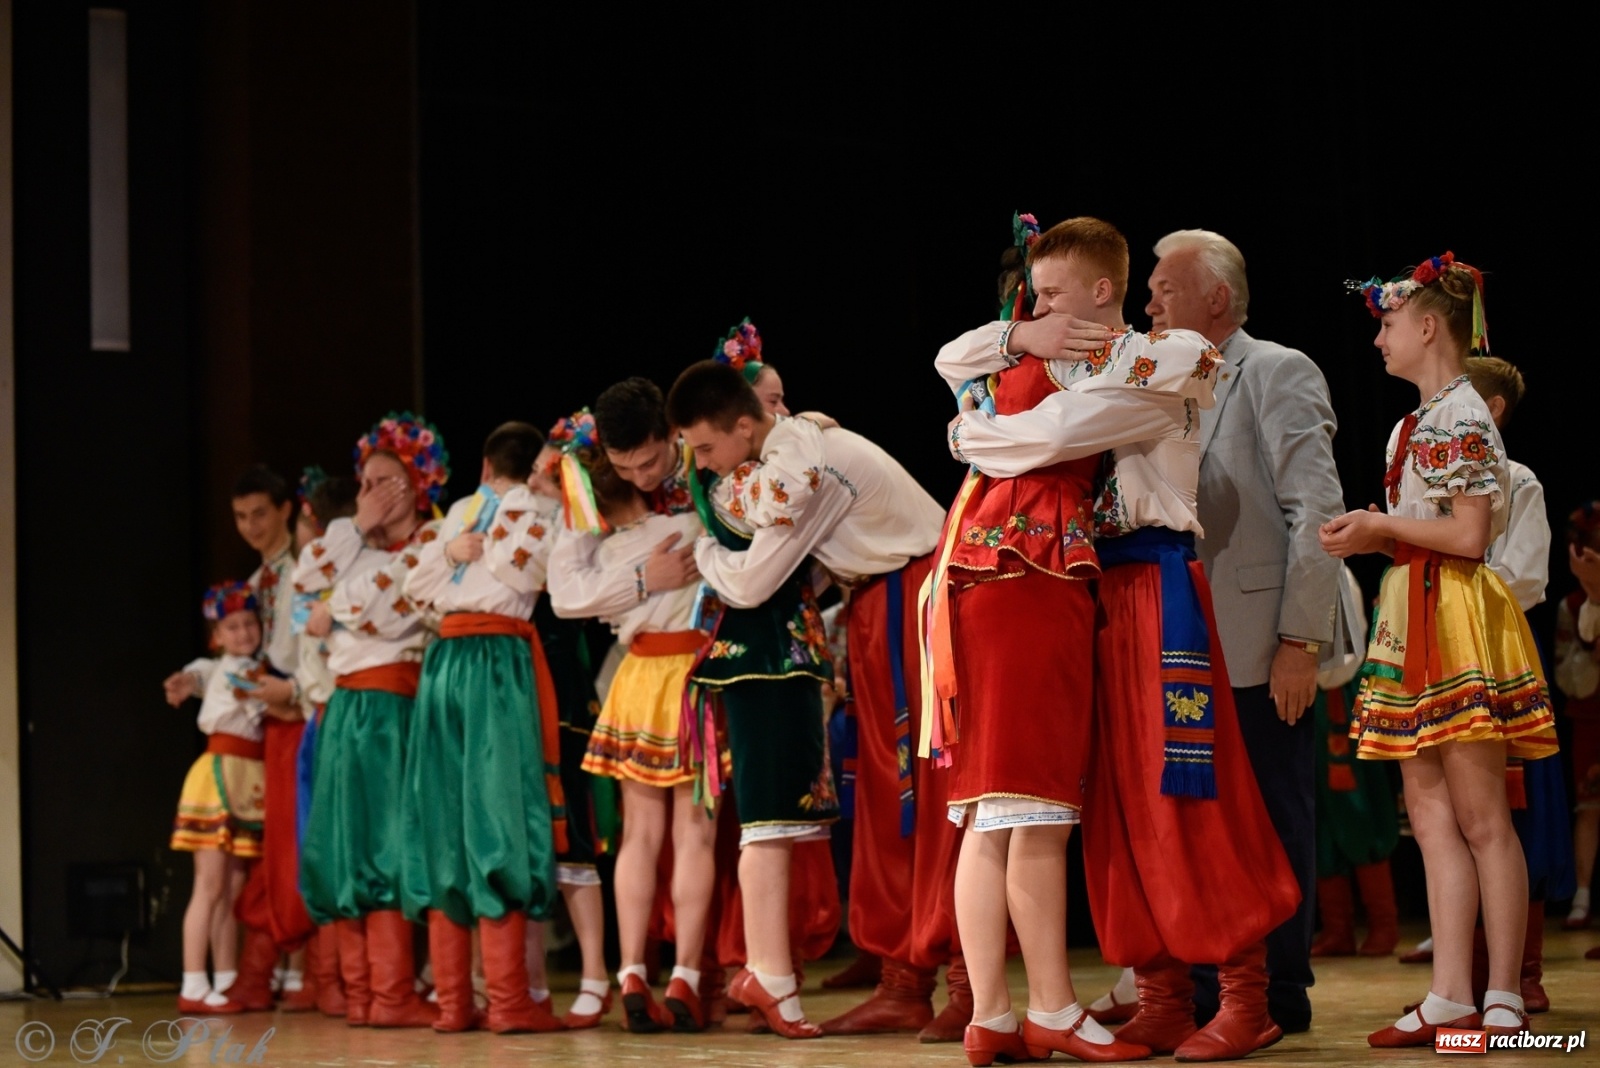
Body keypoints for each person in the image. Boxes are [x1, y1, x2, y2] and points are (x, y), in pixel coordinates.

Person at [935, 215, 1298, 1063]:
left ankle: (1248, 994)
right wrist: (1020, 333)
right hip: (1091, 590)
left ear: (1103, 292)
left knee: (1190, 787)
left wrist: (966, 439)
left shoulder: (1172, 357)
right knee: (1117, 808)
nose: (1040, 310)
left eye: (1054, 295)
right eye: (1033, 301)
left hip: (1159, 585)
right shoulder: (1062, 354)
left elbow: (1062, 434)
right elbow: (956, 359)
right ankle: (1164, 993)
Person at [1321, 253, 1557, 1045]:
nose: (1380, 339)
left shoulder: (1462, 414)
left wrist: (1381, 527)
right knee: (1427, 817)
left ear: (1428, 327)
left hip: (1455, 610)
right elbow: (1425, 532)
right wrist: (1372, 535)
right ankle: (1450, 991)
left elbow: (1467, 534)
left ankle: (1502, 993)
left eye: (1388, 325)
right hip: (1414, 606)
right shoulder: (1411, 423)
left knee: (1481, 815)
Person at [1138, 229, 1344, 1035]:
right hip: (1181, 642)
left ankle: (1279, 991)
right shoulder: (1159, 381)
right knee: (1198, 816)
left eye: (1163, 288)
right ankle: (1203, 985)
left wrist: (1301, 639)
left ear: (1215, 297)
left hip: (1260, 640)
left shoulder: (1277, 370)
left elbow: (1317, 511)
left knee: (1271, 813)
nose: (1148, 303)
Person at [549, 410, 717, 1033]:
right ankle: (687, 977)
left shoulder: (611, 539)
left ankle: (631, 972)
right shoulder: (701, 504)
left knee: (638, 835)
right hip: (692, 674)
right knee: (693, 833)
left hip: (638, 675)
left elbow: (567, 594)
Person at [400, 419, 569, 1035]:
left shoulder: (463, 510)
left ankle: (457, 1002)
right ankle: (503, 1001)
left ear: (482, 465)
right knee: (496, 811)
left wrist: (452, 552)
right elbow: (533, 579)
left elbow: (417, 585)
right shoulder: (532, 511)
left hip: (445, 661)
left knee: (446, 813)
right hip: (492, 660)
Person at [292, 412, 449, 1029]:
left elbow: (387, 611)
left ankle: (387, 992)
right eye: (364, 484)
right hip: (353, 706)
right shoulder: (350, 540)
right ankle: (370, 996)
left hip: (395, 704)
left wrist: (338, 608)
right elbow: (307, 579)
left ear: (414, 485)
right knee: (349, 847)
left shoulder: (431, 543)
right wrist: (355, 526)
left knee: (387, 844)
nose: (370, 495)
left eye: (383, 482)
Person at [1469, 355, 1572, 1013]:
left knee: (1516, 805)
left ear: (1492, 409)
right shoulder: (1427, 469)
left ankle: (1522, 968)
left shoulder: (1517, 480)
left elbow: (1525, 576)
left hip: (1499, 649)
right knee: (1457, 808)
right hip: (1441, 649)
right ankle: (1466, 969)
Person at [163, 581, 268, 1014]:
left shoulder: (249, 669)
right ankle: (192, 982)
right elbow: (202, 674)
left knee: (232, 886)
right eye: (232, 626)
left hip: (247, 777)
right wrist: (185, 681)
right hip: (218, 772)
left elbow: (204, 676)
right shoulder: (228, 670)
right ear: (217, 635)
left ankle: (226, 979)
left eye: (248, 623)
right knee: (208, 886)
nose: (242, 633)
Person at [286, 468, 358, 1018]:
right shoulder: (313, 576)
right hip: (331, 713)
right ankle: (333, 980)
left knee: (337, 847)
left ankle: (345, 983)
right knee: (334, 846)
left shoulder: (322, 569)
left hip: (337, 710)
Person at [1309, 566, 1400, 959]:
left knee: (1357, 809)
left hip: (1340, 698)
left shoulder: (1338, 575)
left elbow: (1348, 650)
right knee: (1320, 817)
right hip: (1309, 700)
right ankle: (1337, 929)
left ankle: (1384, 925)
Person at [1556, 503, 1600, 946]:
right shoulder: (1573, 605)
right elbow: (1572, 677)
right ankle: (1582, 897)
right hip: (1591, 716)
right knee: (1589, 807)